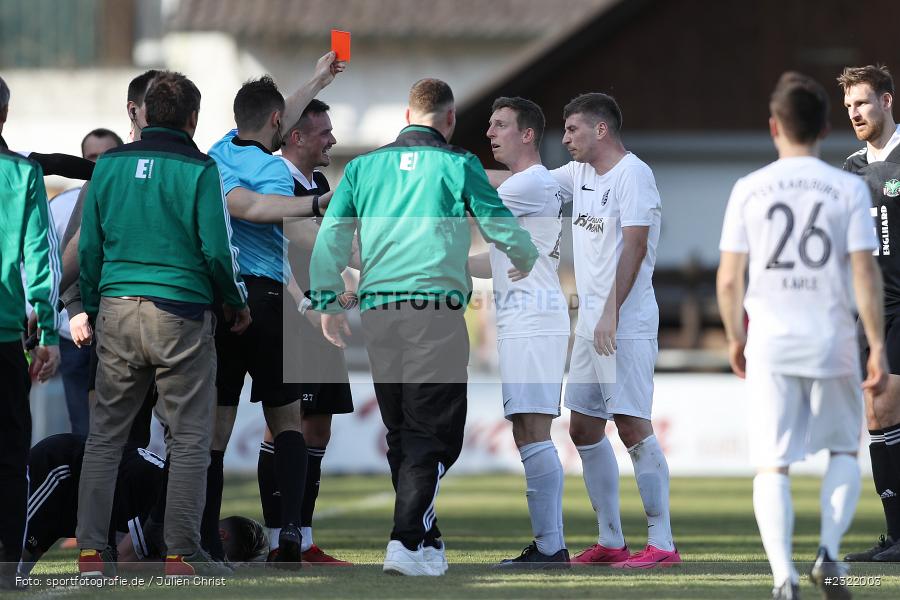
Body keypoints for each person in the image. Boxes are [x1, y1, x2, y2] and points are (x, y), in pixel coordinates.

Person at [308, 78, 539, 576]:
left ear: (406, 114)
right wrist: (525, 253)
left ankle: (424, 540)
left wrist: (327, 300)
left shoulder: (364, 167)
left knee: (402, 430)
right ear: (450, 119)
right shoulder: (458, 164)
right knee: (434, 433)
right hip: (432, 309)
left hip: (378, 312)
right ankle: (406, 540)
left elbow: (333, 236)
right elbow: (497, 220)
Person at [719, 71, 888, 600]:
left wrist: (733, 337)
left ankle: (781, 578)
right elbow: (865, 271)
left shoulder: (749, 188)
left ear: (774, 127)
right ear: (824, 127)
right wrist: (878, 345)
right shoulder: (847, 186)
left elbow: (728, 277)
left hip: (769, 337)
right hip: (832, 336)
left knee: (773, 463)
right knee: (842, 452)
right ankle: (830, 553)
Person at [77, 71, 250, 579]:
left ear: (145, 112)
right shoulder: (201, 169)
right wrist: (233, 301)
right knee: (189, 438)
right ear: (193, 118)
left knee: (105, 437)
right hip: (180, 313)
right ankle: (181, 554)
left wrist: (93, 302)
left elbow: (90, 246)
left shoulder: (107, 166)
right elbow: (217, 250)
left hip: (116, 307)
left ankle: (90, 553)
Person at [206, 52, 344, 568]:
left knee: (217, 430)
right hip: (263, 301)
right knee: (285, 421)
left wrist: (317, 77)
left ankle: (205, 537)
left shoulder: (218, 151)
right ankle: (290, 536)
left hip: (222, 304)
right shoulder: (274, 172)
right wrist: (318, 206)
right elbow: (261, 212)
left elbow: (272, 111)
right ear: (277, 124)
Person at [546, 92, 676, 568]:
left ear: (601, 130)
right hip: (593, 326)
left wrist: (610, 312)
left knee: (633, 424)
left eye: (572, 129)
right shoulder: (578, 174)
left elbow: (635, 246)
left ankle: (662, 544)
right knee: (581, 426)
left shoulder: (634, 174)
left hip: (626, 322)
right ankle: (611, 541)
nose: (565, 138)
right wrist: (458, 174)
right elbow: (529, 182)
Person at [469, 97, 570, 568]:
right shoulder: (524, 185)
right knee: (527, 429)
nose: (491, 132)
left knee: (533, 428)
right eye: (490, 124)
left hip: (533, 321)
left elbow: (467, 202)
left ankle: (552, 548)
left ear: (527, 134)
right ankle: (549, 545)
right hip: (524, 320)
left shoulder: (528, 184)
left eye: (501, 125)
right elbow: (490, 259)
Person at [256, 98, 353, 565]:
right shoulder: (275, 182)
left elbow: (334, 248)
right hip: (289, 317)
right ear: (296, 137)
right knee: (283, 426)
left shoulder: (319, 183)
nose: (331, 139)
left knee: (318, 429)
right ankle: (281, 538)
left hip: (321, 318)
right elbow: (274, 254)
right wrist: (306, 303)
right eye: (324, 132)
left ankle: (305, 536)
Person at [0, 74, 61, 591]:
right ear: (4, 115)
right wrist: (48, 333)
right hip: (4, 339)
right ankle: (8, 565)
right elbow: (43, 255)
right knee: (10, 451)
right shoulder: (22, 174)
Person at [837, 64, 900, 563]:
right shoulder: (852, 168)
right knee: (877, 416)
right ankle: (894, 536)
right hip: (868, 313)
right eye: (849, 106)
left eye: (862, 102)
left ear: (886, 100)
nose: (855, 112)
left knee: (885, 406)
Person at [49, 128, 123, 437]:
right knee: (84, 428)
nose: (98, 163)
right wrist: (70, 311)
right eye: (91, 157)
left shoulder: (127, 192)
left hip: (115, 324)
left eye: (105, 156)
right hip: (71, 333)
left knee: (123, 429)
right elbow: (53, 264)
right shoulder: (62, 205)